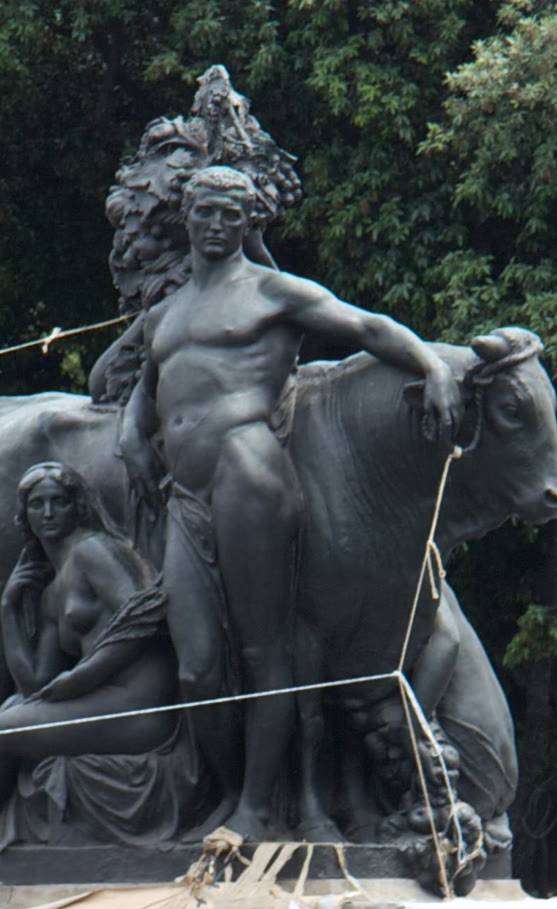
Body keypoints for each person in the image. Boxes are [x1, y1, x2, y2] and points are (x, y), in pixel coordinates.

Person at [121, 163, 462, 834]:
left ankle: (255, 809)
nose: (217, 224)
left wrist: (432, 364)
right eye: (206, 211)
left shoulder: (273, 292)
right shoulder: (167, 312)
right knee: (196, 666)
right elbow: (146, 389)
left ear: (249, 223)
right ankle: (233, 795)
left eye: (231, 214)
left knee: (264, 651)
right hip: (184, 494)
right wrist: (131, 433)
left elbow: (366, 327)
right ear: (186, 217)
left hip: (248, 473)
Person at [0, 462, 192, 847]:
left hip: (140, 707)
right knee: (10, 712)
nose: (48, 513)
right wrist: (9, 608)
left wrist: (83, 676)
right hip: (106, 703)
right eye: (37, 504)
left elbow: (144, 618)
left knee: (6, 729)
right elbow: (36, 684)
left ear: (78, 506)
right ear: (25, 514)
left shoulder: (93, 552)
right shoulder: (52, 592)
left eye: (58, 502)